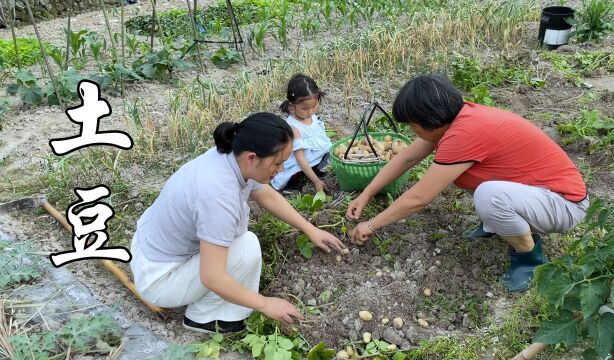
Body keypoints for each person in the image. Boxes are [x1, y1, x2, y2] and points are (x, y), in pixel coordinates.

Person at [347, 74, 588, 292]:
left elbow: (419, 198)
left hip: (564, 205)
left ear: (430, 120)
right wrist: (367, 193)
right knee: (465, 180)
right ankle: (497, 223)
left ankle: (529, 258)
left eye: (412, 125)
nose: (413, 131)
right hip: (537, 193)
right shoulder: (458, 119)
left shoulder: (464, 134)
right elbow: (407, 157)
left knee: (489, 195)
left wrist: (371, 225)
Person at [130, 113, 344, 334]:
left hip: (148, 247)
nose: (281, 170)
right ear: (252, 158)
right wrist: (265, 303)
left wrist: (309, 229)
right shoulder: (218, 196)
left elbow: (266, 195)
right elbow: (212, 276)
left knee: (236, 242)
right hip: (160, 279)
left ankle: (205, 299)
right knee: (246, 248)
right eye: (278, 163)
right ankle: (204, 317)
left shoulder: (231, 156)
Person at [271, 74, 333, 194]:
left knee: (329, 154)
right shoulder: (294, 128)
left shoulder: (311, 115)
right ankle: (297, 180)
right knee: (296, 172)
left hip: (313, 153)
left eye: (314, 106)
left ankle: (314, 169)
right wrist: (316, 181)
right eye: (305, 109)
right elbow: (300, 158)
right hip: (300, 159)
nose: (310, 112)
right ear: (291, 105)